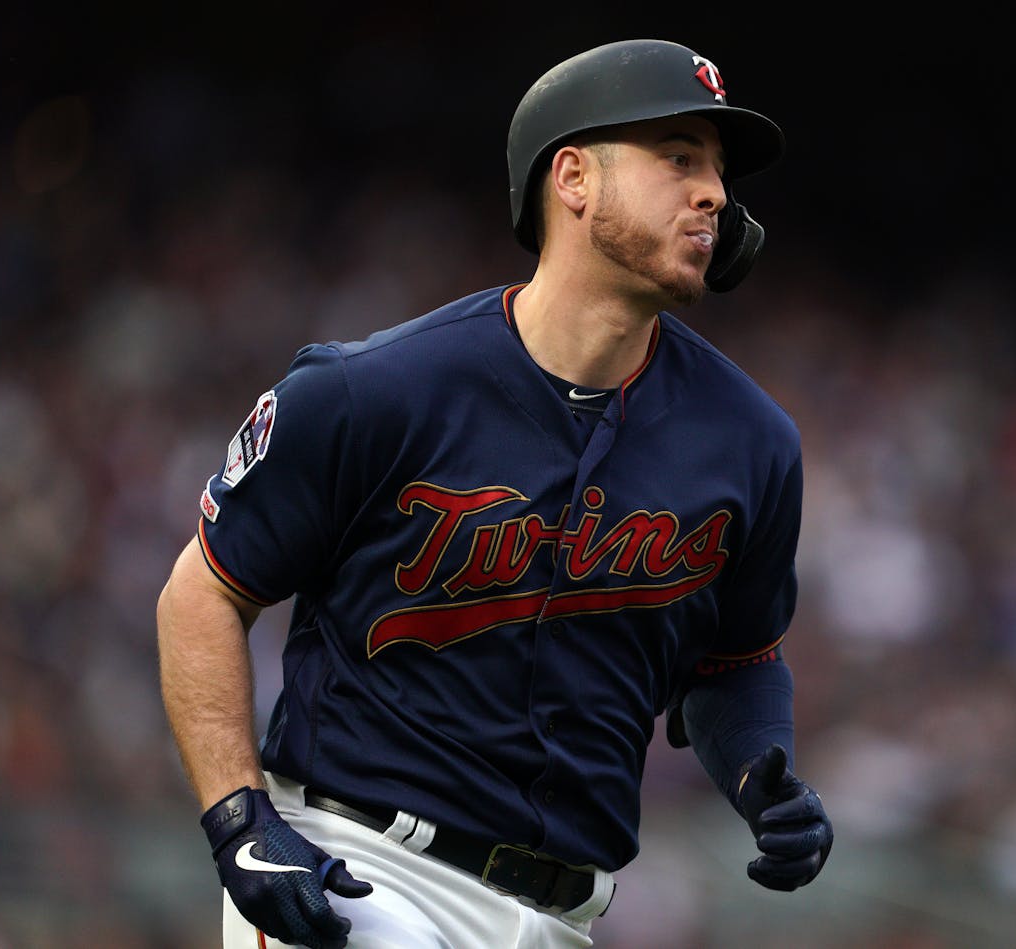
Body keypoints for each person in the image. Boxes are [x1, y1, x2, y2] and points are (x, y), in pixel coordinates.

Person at [156, 37, 833, 949]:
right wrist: (240, 820)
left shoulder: (752, 442)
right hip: (360, 873)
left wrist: (761, 769)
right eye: (679, 157)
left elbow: (736, 661)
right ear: (573, 178)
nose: (713, 191)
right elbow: (202, 591)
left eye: (717, 170)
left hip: (562, 916)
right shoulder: (377, 390)